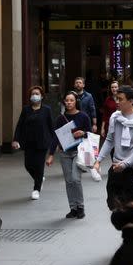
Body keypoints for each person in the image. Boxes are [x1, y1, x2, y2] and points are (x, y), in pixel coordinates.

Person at [94, 87, 133, 210]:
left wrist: (125, 164)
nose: (117, 102)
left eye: (120, 99)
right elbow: (109, 140)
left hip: (131, 169)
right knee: (112, 204)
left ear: (131, 101)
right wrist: (98, 160)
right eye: (117, 98)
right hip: (115, 166)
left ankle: (129, 227)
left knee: (129, 207)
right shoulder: (115, 117)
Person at [48, 91, 92, 219]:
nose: (69, 103)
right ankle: (73, 208)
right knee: (68, 181)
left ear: (76, 102)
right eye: (67, 100)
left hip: (79, 151)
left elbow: (90, 134)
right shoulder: (60, 119)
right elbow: (56, 137)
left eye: (71, 100)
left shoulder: (83, 116)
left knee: (75, 179)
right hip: (65, 152)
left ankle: (81, 206)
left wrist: (82, 133)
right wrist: (51, 155)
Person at [11, 85, 56, 200]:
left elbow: (51, 127)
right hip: (28, 142)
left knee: (39, 165)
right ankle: (39, 178)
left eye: (37, 94)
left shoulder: (47, 110)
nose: (35, 96)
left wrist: (54, 143)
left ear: (41, 96)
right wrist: (16, 139)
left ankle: (36, 189)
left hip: (42, 142)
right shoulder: (26, 109)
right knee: (28, 165)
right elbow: (20, 125)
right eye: (33, 94)